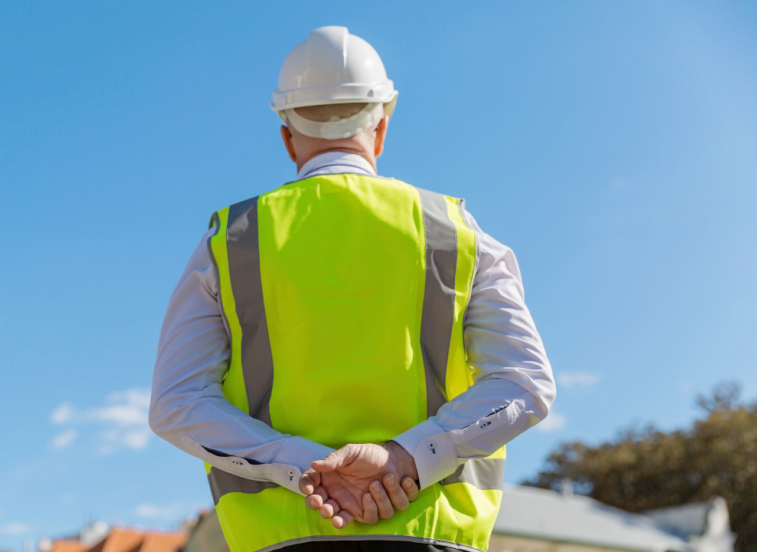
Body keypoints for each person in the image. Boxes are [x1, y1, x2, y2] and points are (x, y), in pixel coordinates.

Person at [149, 26, 556, 552]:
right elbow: (524, 384)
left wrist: (301, 466)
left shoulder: (229, 243)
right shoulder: (456, 232)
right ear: (382, 127)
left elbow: (176, 403)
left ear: (287, 136)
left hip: (282, 540)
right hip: (434, 539)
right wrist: (409, 457)